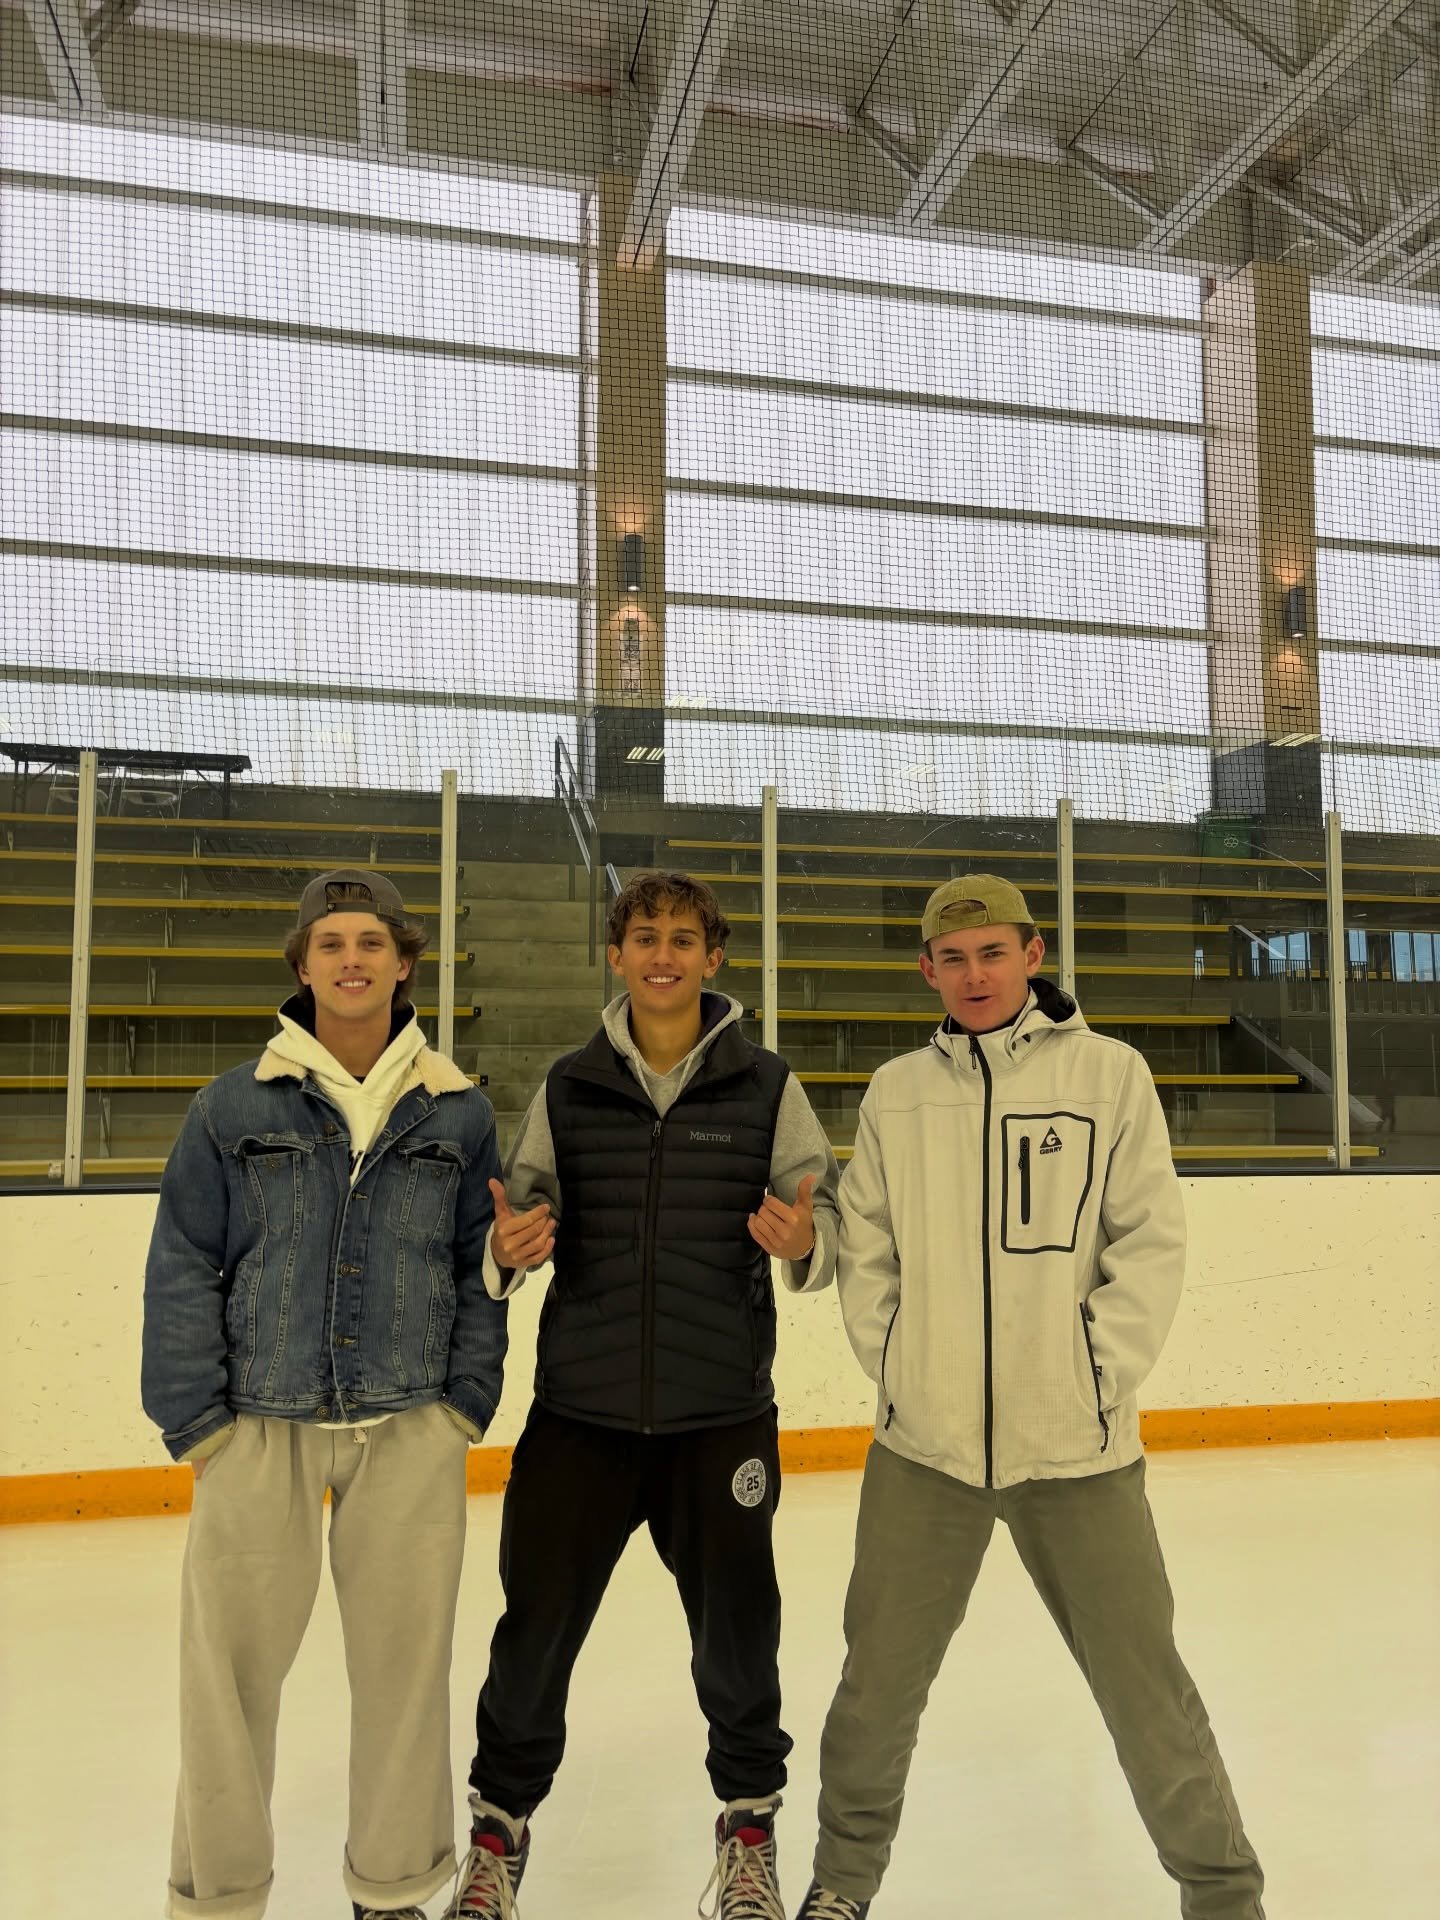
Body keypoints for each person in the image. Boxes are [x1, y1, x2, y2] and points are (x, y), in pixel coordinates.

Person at [796, 875, 1266, 1920]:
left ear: (1034, 953)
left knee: (1148, 1695)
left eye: (993, 953)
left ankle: (1225, 1896)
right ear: (927, 970)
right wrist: (902, 1368)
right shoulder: (896, 1094)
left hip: (1079, 1455)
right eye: (953, 959)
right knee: (874, 1693)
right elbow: (866, 1247)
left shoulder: (1110, 1076)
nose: (974, 976)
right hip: (926, 1453)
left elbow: (1149, 1241)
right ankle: (840, 1888)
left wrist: (1094, 1377)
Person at [448, 870, 841, 1920]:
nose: (662, 953)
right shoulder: (571, 1087)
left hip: (721, 1423)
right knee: (532, 1636)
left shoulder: (767, 1086)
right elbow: (516, 1220)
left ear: (716, 958)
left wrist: (808, 1245)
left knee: (738, 1637)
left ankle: (748, 1828)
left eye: (683, 937)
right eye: (642, 936)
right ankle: (497, 1836)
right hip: (579, 1419)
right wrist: (506, 1247)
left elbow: (821, 1222)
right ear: (615, 957)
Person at [141, 868, 508, 1920]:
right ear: (303, 967)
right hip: (259, 1425)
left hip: (410, 1429)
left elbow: (479, 1268)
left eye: (373, 942)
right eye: (332, 943)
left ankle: (391, 1891)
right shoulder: (231, 1106)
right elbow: (183, 1265)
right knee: (227, 1683)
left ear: (404, 962)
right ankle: (219, 1897)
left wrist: (462, 1406)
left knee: (404, 1678)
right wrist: (199, 1422)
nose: (353, 959)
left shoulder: (459, 1108)